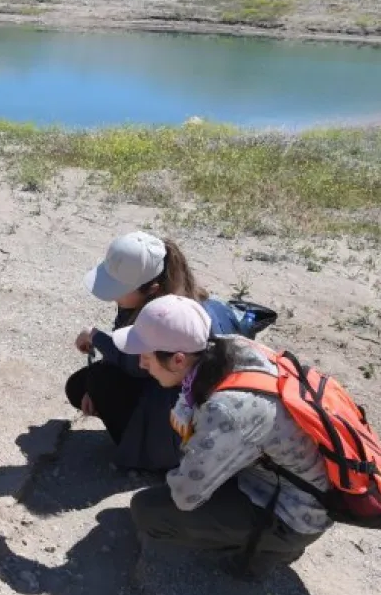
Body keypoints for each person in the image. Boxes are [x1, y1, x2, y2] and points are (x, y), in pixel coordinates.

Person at [113, 295, 331, 576]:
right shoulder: (230, 346)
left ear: (179, 360)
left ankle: (274, 547)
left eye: (146, 357)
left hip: (295, 514)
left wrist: (183, 472)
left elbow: (185, 496)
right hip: (288, 479)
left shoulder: (225, 410)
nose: (142, 365)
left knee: (147, 510)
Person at [66, 231, 241, 472]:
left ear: (152, 289)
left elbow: (137, 364)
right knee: (83, 384)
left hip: (178, 422)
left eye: (119, 289)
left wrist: (96, 337)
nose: (113, 297)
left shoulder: (167, 321)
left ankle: (147, 454)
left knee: (97, 382)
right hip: (175, 391)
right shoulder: (171, 300)